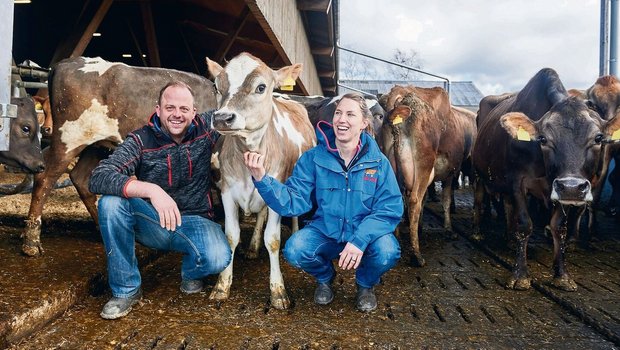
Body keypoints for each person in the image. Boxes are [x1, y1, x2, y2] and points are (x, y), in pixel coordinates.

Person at [243, 92, 403, 312]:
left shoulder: (378, 162)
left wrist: (359, 240)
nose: (342, 119)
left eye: (350, 114)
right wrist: (262, 179)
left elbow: (390, 208)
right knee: (295, 249)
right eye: (338, 113)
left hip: (364, 235)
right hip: (327, 232)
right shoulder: (312, 158)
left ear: (364, 123)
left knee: (388, 251)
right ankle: (325, 277)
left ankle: (365, 285)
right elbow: (293, 200)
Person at [89, 81, 231, 320]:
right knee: (110, 204)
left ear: (194, 112)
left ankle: (191, 273)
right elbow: (99, 177)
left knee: (218, 257)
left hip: (195, 220)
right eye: (170, 107)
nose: (177, 114)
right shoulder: (140, 140)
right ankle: (126, 290)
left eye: (184, 109)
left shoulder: (206, 128)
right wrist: (152, 190)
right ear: (158, 109)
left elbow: (239, 111)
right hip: (154, 222)